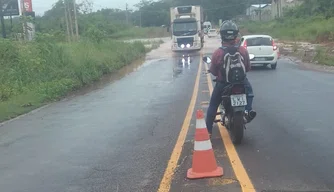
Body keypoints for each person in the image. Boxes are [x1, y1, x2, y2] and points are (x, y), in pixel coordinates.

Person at [206, 20, 257, 136]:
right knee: (250, 93)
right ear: (236, 34)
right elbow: (248, 68)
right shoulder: (243, 50)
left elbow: (213, 71)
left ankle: (208, 131)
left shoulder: (218, 53)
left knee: (213, 105)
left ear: (222, 35)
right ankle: (248, 110)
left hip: (223, 84)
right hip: (241, 82)